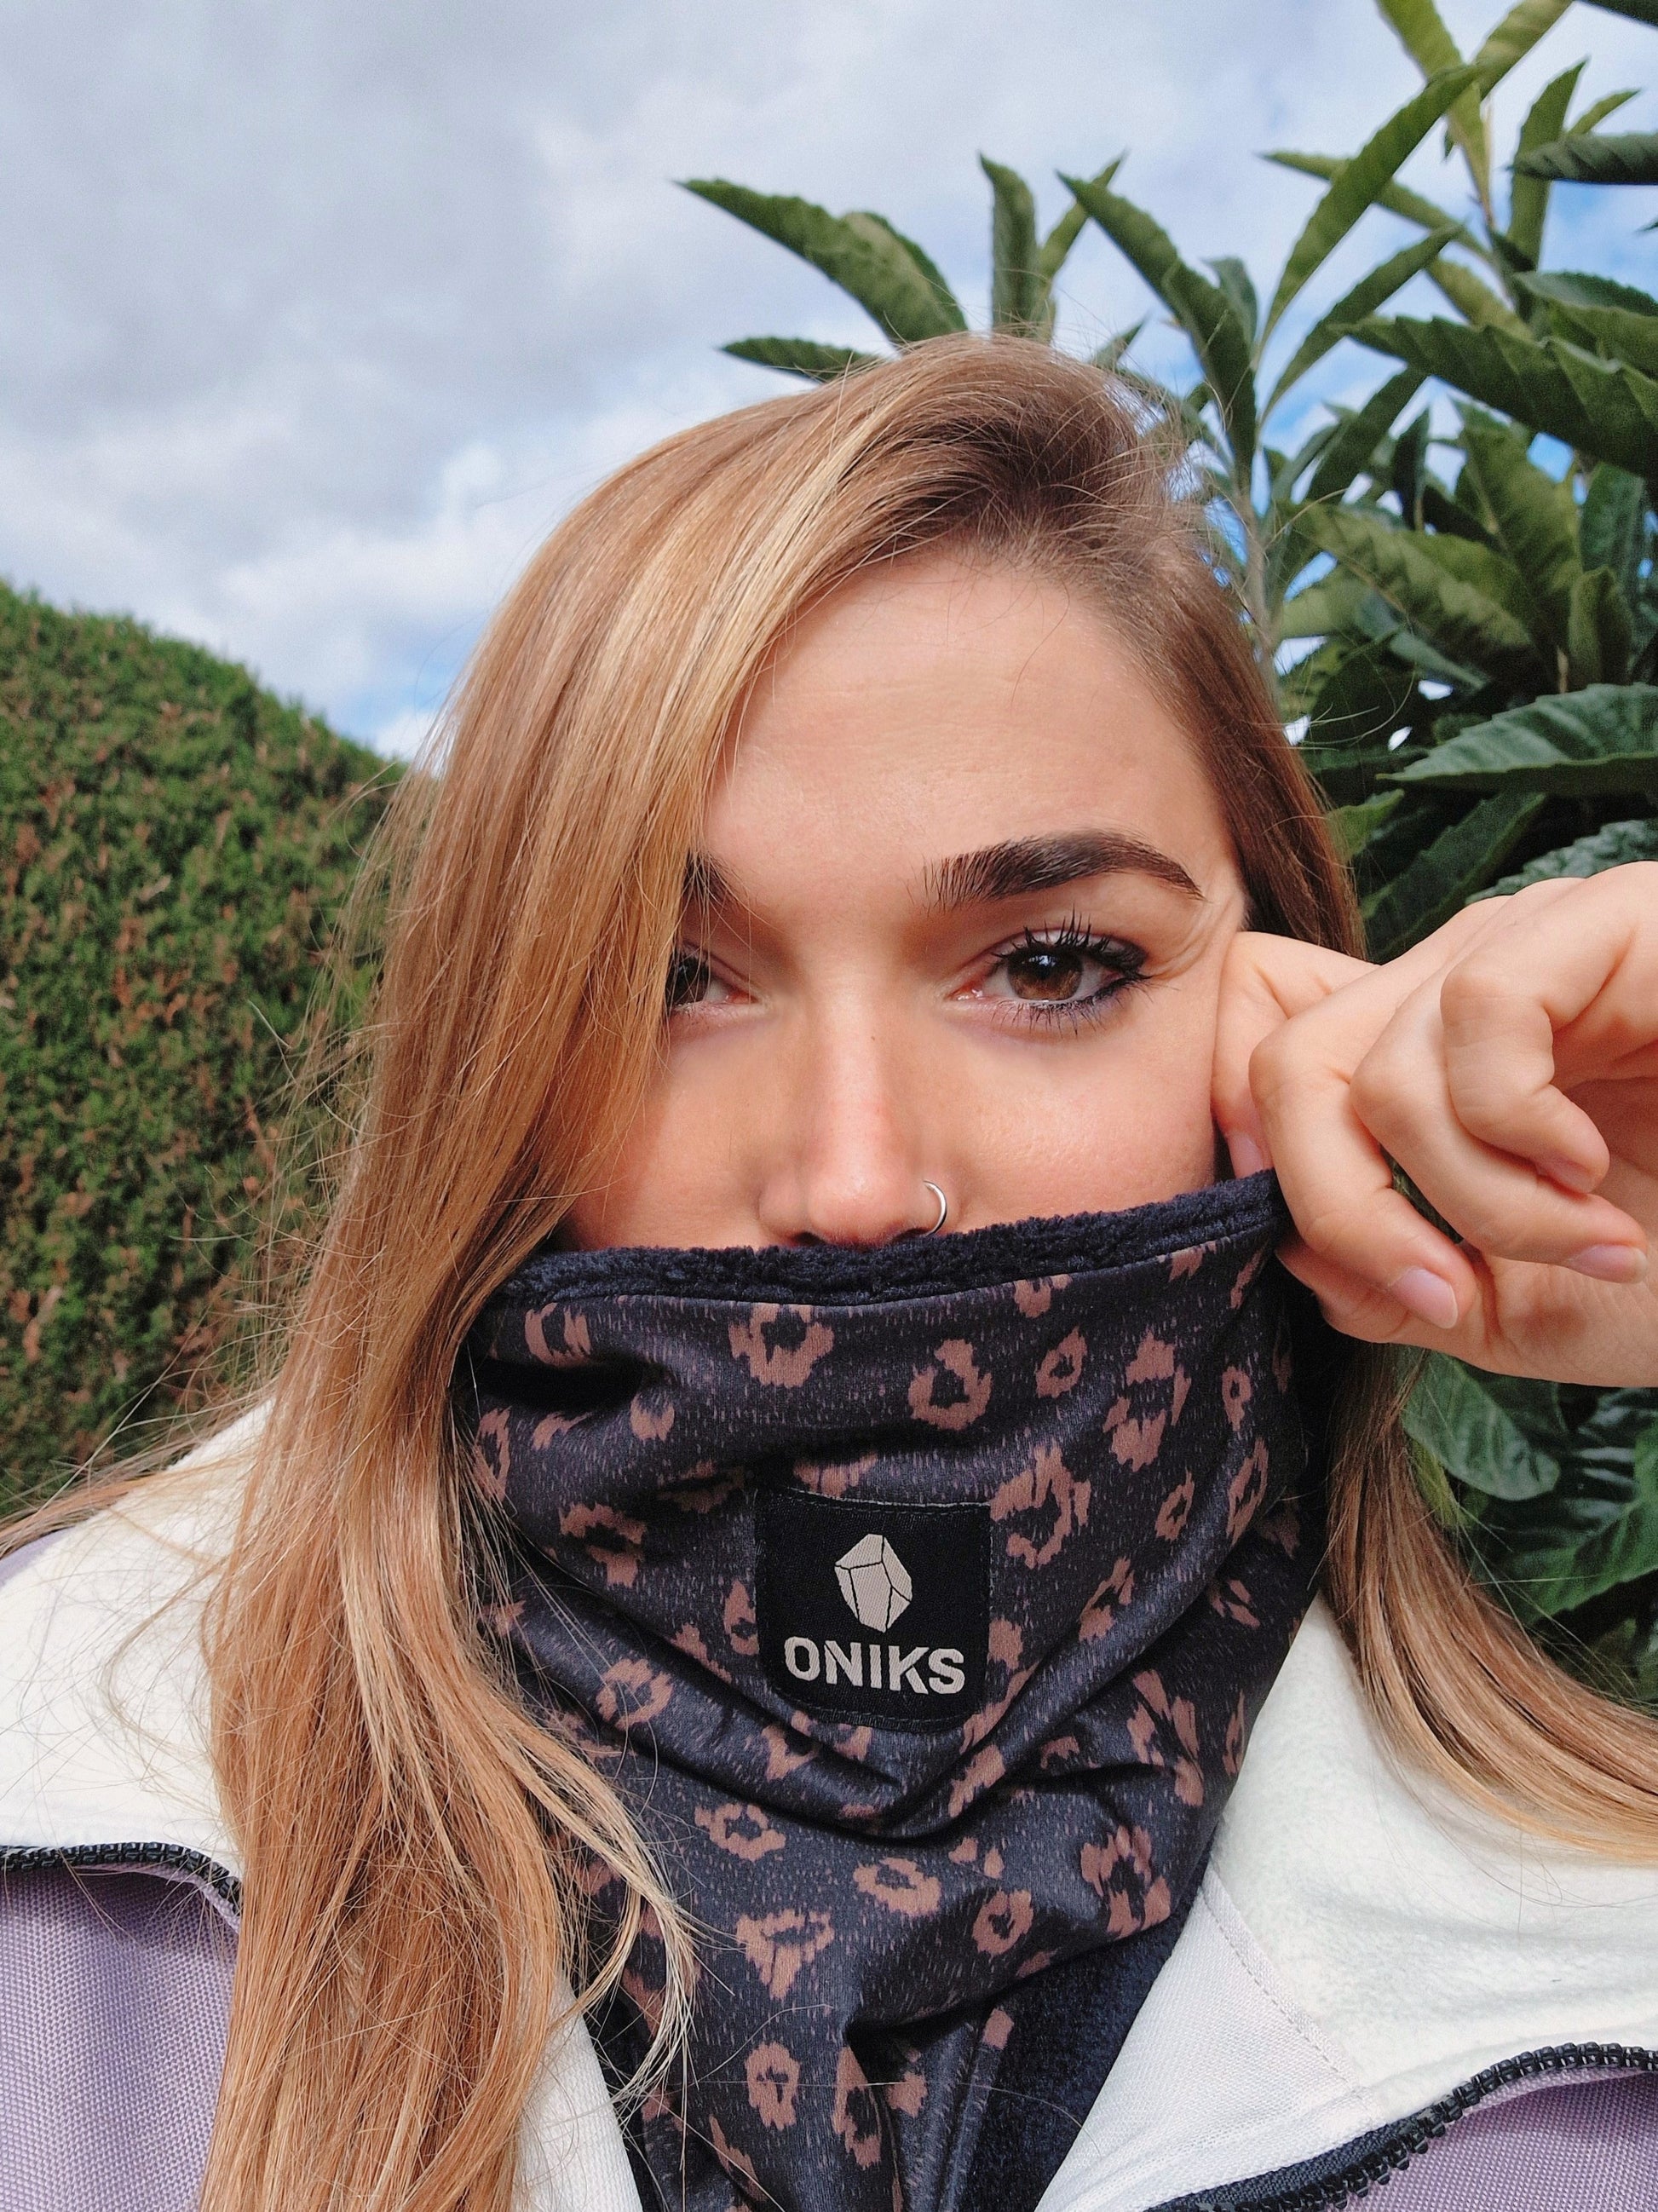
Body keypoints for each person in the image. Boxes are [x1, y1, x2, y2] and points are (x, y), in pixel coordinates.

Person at [2, 336, 1655, 2212]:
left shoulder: (1607, 1985)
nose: (858, 1183)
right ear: (486, 1056)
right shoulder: (52, 1854)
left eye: (1052, 964)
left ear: (1289, 1016)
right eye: (668, 979)